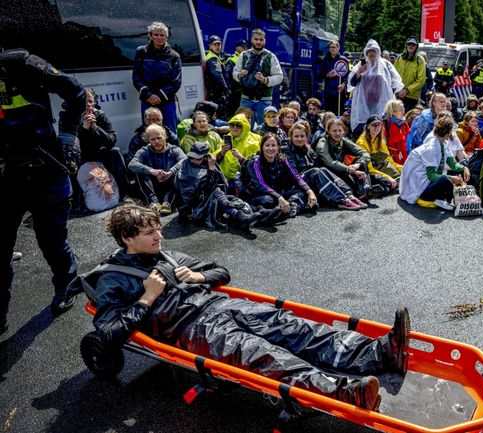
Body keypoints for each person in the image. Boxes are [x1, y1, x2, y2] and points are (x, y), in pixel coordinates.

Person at [90, 203, 412, 411]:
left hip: (222, 305)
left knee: (292, 326)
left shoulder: (167, 256)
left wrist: (198, 274)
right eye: (150, 232)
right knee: (262, 354)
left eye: (158, 228)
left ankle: (379, 353)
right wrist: (147, 298)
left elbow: (221, 272)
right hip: (191, 329)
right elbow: (109, 332)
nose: (159, 235)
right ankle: (342, 393)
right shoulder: (114, 280)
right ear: (127, 238)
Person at [0, 48, 86, 328]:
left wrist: (68, 135)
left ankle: (67, 282)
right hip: (7, 174)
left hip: (46, 167)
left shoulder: (20, 63)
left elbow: (76, 93)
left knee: (51, 240)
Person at [174, 142, 275, 229]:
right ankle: (241, 217)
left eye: (198, 158)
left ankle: (262, 214)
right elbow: (198, 193)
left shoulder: (209, 163)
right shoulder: (185, 168)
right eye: (192, 157)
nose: (194, 160)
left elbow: (218, 184)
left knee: (232, 199)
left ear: (206, 157)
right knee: (218, 194)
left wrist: (211, 168)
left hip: (211, 200)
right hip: (195, 208)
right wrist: (210, 170)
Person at [284, 124, 366, 210]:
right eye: (296, 136)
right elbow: (294, 175)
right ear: (291, 137)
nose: (299, 139)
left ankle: (349, 196)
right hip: (295, 183)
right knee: (315, 171)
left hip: (308, 180)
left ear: (307, 137)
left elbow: (317, 164)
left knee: (323, 169)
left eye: (302, 136)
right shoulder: (287, 150)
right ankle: (341, 200)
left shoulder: (308, 149)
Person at [399, 112, 470, 210]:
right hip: (418, 188)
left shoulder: (444, 143)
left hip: (425, 182)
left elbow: (452, 163)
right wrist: (451, 178)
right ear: (448, 132)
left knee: (452, 176)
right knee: (446, 180)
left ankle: (443, 199)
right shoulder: (430, 148)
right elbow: (432, 175)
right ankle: (445, 201)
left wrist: (464, 168)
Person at [240, 133, 318, 219]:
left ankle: (288, 209)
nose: (270, 148)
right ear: (262, 147)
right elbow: (260, 184)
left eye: (273, 145)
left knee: (302, 193)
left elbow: (295, 176)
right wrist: (279, 198)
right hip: (258, 194)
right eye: (267, 145)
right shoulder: (255, 162)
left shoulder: (282, 159)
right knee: (268, 201)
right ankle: (292, 208)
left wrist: (309, 191)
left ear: (278, 147)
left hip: (278, 193)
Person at [77, 88, 130, 202]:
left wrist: (95, 127)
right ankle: (79, 200)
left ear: (94, 102)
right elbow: (75, 146)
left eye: (90, 101)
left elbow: (112, 140)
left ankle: (125, 193)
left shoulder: (101, 115)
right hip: (84, 156)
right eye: (84, 102)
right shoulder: (72, 118)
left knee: (116, 152)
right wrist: (84, 128)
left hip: (101, 152)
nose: (88, 105)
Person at [316, 119, 384, 200]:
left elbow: (365, 153)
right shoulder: (322, 143)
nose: (337, 133)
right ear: (328, 132)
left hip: (342, 170)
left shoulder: (343, 140)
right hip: (327, 175)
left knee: (361, 161)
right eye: (334, 131)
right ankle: (362, 192)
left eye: (339, 130)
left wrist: (357, 165)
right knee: (351, 187)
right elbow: (331, 163)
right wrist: (350, 169)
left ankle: (365, 189)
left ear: (343, 131)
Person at [132, 22, 182, 133]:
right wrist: (149, 95)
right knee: (149, 132)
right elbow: (136, 77)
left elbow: (176, 82)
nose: (159, 37)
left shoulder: (174, 56)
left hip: (167, 101)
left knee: (170, 132)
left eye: (162, 35)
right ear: (150, 36)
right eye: (156, 34)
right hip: (147, 100)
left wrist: (159, 96)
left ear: (167, 37)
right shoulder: (141, 52)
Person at [348, 40, 405, 135]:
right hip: (363, 103)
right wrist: (358, 72)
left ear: (378, 52)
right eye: (369, 52)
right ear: (366, 53)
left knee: (380, 127)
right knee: (365, 128)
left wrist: (389, 93)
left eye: (374, 51)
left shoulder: (386, 65)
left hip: (381, 103)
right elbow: (352, 83)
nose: (371, 54)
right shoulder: (360, 65)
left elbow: (397, 82)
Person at [128, 124, 186, 215]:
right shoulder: (144, 151)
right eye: (153, 139)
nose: (157, 141)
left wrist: (171, 171)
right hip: (152, 186)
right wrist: (151, 171)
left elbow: (185, 160)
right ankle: (153, 202)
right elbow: (131, 164)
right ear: (148, 140)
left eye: (159, 138)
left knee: (179, 170)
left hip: (170, 186)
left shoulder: (174, 149)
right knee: (139, 170)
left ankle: (168, 202)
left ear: (165, 137)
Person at [233, 28, 283, 129]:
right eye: (256, 39)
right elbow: (235, 73)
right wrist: (239, 75)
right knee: (243, 129)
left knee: (264, 130)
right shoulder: (244, 55)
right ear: (251, 40)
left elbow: (279, 77)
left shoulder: (271, 57)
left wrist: (265, 79)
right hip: (246, 100)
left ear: (265, 41)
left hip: (264, 101)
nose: (258, 42)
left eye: (261, 40)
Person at [214, 113, 261, 187]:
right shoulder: (227, 138)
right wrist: (221, 153)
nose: (235, 128)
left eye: (238, 125)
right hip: (225, 178)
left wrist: (240, 157)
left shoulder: (254, 140)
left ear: (244, 126)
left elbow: (255, 166)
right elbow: (214, 160)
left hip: (245, 180)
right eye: (232, 125)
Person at [356, 115, 401, 190]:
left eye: (378, 124)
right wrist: (388, 178)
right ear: (368, 127)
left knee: (402, 178)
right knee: (388, 185)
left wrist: (404, 169)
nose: (377, 127)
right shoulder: (361, 143)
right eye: (373, 125)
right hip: (367, 172)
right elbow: (369, 169)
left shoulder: (381, 141)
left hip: (379, 168)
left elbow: (390, 161)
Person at [393, 36, 427, 112]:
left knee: (408, 119)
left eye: (413, 45)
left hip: (412, 97)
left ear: (416, 47)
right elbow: (393, 76)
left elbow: (421, 80)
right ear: (406, 45)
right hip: (398, 95)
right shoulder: (399, 58)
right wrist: (398, 90)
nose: (411, 46)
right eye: (409, 44)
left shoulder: (420, 60)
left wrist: (406, 90)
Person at [318, 40, 349, 115]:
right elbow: (321, 73)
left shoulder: (343, 60)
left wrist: (343, 85)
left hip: (339, 90)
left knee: (339, 111)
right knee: (329, 112)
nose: (333, 49)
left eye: (334, 47)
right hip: (328, 90)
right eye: (331, 47)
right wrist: (327, 75)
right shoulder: (325, 60)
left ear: (338, 48)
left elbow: (347, 75)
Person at [204, 35, 230, 119]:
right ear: (210, 46)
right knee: (220, 116)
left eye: (218, 44)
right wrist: (226, 88)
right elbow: (217, 75)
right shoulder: (213, 58)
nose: (217, 46)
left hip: (215, 92)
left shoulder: (215, 56)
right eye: (215, 45)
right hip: (216, 93)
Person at [223, 39, 250, 118]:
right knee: (233, 113)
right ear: (237, 48)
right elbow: (227, 77)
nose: (245, 49)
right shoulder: (231, 60)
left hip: (244, 91)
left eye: (246, 47)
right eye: (243, 47)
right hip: (235, 91)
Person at [382, 99, 411, 165]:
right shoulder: (386, 124)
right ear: (393, 112)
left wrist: (408, 152)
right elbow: (383, 142)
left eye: (403, 110)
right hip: (392, 156)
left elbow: (408, 139)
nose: (403, 112)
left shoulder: (404, 123)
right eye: (401, 110)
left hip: (404, 155)